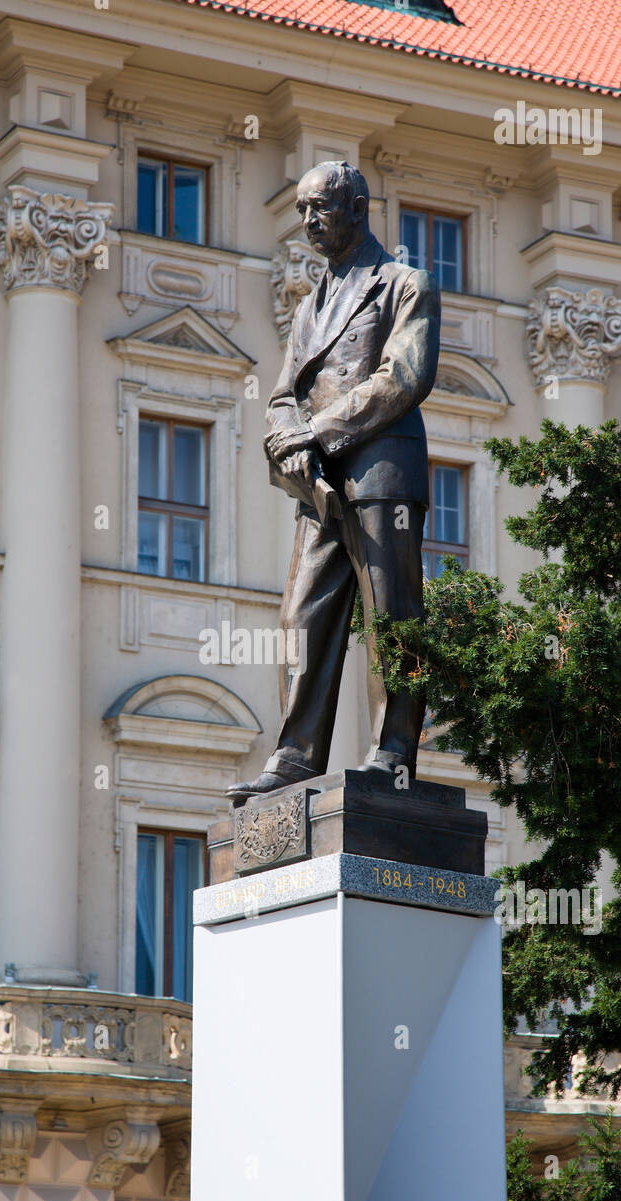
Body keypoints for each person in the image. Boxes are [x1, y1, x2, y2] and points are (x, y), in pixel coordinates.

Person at [228, 160, 441, 805]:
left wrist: (314, 433)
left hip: (381, 471)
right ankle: (296, 755)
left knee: (391, 615)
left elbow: (403, 378)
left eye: (319, 207)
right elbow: (282, 398)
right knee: (302, 614)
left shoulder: (405, 285)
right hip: (319, 484)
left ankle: (395, 752)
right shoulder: (308, 308)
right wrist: (289, 441)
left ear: (356, 206)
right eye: (300, 211)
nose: (308, 222)